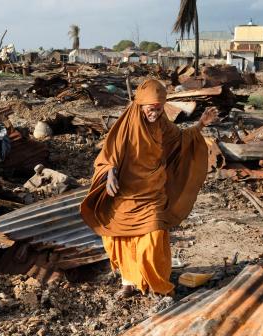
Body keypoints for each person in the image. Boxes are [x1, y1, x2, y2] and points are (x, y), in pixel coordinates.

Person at [80, 79, 218, 298]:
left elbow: (180, 140)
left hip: (153, 193)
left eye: (159, 108)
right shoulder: (126, 124)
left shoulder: (162, 123)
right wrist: (110, 174)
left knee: (153, 237)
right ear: (141, 105)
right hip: (126, 193)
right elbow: (108, 155)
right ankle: (128, 282)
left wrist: (201, 124)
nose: (156, 113)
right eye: (152, 109)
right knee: (120, 238)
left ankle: (157, 285)